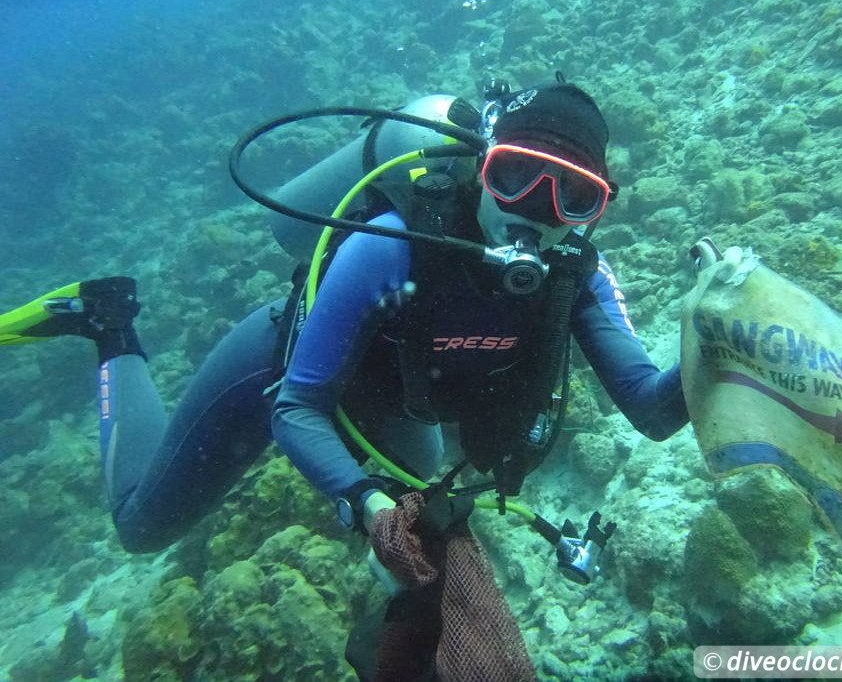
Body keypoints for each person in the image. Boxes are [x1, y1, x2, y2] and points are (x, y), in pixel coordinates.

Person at [0, 78, 688, 678]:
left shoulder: (581, 280)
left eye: (573, 195)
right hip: (275, 372)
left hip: (393, 413)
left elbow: (655, 410)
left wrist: (726, 341)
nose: (535, 210)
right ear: (482, 166)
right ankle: (109, 323)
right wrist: (365, 500)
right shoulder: (390, 242)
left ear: (600, 207)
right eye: (516, 175)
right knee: (140, 527)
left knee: (413, 558)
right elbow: (297, 405)